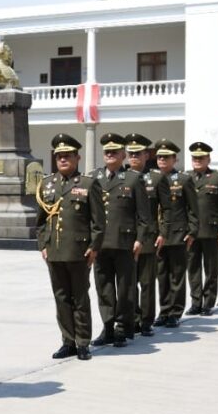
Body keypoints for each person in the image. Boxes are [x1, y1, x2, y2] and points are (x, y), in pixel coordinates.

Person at [35, 133, 104, 361]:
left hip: (78, 251)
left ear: (77, 157)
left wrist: (94, 247)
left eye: (67, 156)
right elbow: (41, 221)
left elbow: (98, 222)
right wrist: (43, 244)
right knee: (61, 297)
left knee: (80, 297)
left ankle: (83, 342)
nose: (63, 160)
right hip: (54, 251)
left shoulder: (87, 184)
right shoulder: (46, 184)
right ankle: (68, 341)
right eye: (59, 156)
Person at [90, 133, 151, 347]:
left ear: (123, 155)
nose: (110, 154)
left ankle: (122, 329)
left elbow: (144, 216)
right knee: (104, 287)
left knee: (125, 289)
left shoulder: (133, 179)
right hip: (100, 244)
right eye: (106, 151)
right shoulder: (94, 178)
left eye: (114, 151)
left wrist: (140, 240)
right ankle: (107, 328)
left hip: (125, 243)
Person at [153, 140, 198, 328]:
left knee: (177, 275)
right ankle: (163, 311)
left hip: (178, 234)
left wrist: (193, 231)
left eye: (166, 157)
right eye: (159, 156)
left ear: (175, 159)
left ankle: (175, 312)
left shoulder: (183, 180)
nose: (162, 159)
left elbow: (193, 209)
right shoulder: (151, 179)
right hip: (157, 235)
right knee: (161, 276)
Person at [186, 142, 218, 317]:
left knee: (211, 269)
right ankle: (195, 302)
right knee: (193, 268)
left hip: (211, 231)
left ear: (208, 159)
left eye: (201, 158)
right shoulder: (186, 177)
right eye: (194, 158)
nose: (197, 161)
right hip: (191, 231)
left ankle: (208, 303)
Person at [124, 133, 162, 337]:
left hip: (148, 238)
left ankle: (147, 321)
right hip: (127, 238)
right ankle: (134, 318)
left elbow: (168, 208)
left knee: (146, 283)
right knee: (129, 283)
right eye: (130, 153)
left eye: (137, 153)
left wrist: (162, 233)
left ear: (146, 154)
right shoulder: (122, 177)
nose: (134, 157)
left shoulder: (156, 177)